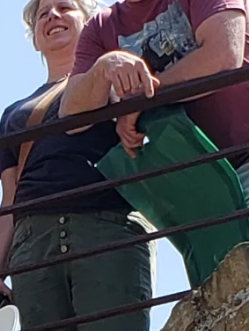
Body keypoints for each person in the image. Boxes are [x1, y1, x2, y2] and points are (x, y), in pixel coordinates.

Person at [0, 0, 154, 331]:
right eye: (43, 13)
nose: (52, 16)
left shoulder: (120, 78)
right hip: (33, 244)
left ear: (89, 21)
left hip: (106, 223)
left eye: (65, 7)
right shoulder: (15, 113)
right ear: (34, 37)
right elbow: (10, 198)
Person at [61, 0, 249, 197]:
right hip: (190, 190)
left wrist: (142, 99)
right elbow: (71, 116)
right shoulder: (99, 27)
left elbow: (224, 57)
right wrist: (102, 68)